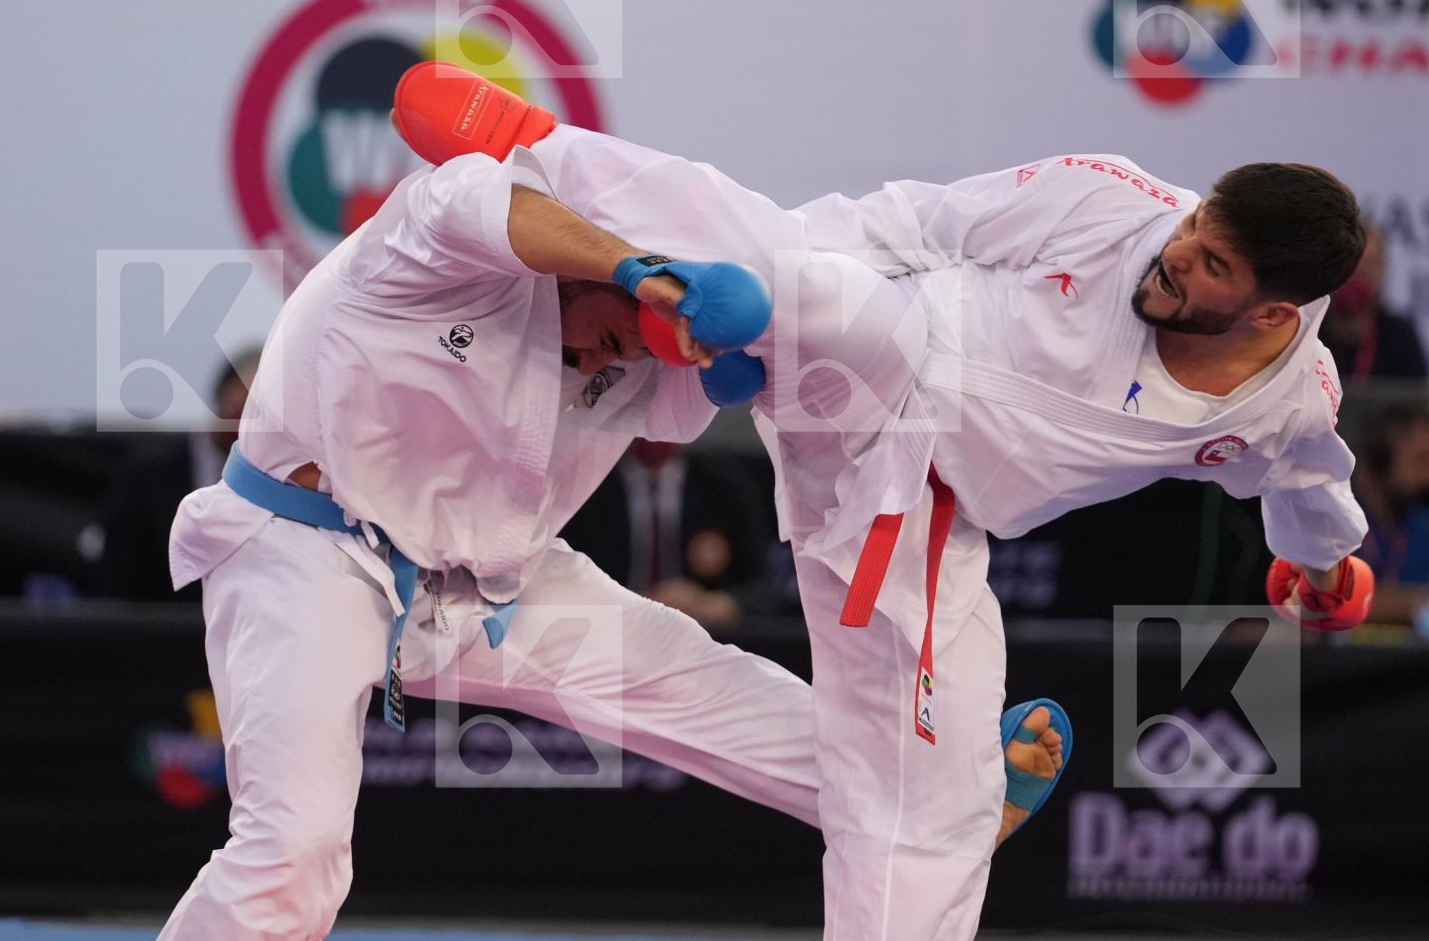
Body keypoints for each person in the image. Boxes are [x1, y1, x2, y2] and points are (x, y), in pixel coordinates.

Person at [409, 70, 1373, 941]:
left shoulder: (1289, 403)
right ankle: (543, 148)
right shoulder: (1114, 200)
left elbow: (1309, 495)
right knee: (796, 279)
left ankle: (960, 808)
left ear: (1273, 313)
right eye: (1200, 222)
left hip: (919, 524)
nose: (1181, 249)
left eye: (1213, 265)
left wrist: (1322, 576)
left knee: (937, 814)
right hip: (886, 356)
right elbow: (917, 223)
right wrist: (768, 290)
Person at [157, 66, 1062, 941]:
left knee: (711, 690)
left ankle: (950, 802)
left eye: (636, 354)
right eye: (613, 334)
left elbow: (715, 363)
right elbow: (503, 209)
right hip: (307, 553)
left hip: (486, 593)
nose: (610, 361)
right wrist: (636, 270)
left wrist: (749, 345)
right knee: (296, 850)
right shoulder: (440, 238)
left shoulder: (636, 353)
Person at [560, 437, 774, 626]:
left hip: (703, 632)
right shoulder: (589, 487)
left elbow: (764, 584)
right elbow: (564, 574)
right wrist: (632, 602)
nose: (657, 431)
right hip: (614, 629)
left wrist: (722, 603)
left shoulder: (723, 485)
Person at [99, 353, 258, 601]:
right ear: (220, 396)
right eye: (244, 405)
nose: (250, 421)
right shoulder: (147, 475)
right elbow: (118, 579)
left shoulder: (283, 485)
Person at [1351, 405, 1429, 625]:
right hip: (1338, 657)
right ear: (1379, 464)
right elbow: (1330, 604)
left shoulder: (1420, 522)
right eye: (1420, 460)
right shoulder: (1329, 522)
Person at [1321, 224, 1427, 384]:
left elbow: (1416, 404)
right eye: (1347, 266)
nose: (1355, 276)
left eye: (1366, 265)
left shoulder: (1399, 337)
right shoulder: (1306, 333)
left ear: (1382, 272)